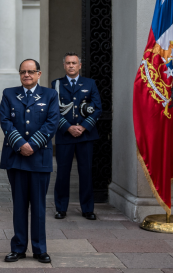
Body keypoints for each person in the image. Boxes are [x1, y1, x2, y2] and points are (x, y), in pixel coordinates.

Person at [0, 59, 59, 264]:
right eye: (23, 72)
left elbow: (52, 123)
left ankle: (40, 249)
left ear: (39, 74)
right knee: (19, 205)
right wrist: (20, 144)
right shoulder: (9, 93)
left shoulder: (50, 95)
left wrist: (32, 145)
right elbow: (5, 121)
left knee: (39, 206)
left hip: (39, 158)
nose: (26, 75)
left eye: (31, 72)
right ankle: (18, 248)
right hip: (16, 158)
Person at [52, 52, 102, 221]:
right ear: (64, 66)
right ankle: (61, 208)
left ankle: (87, 209)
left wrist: (83, 126)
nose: (71, 65)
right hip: (65, 136)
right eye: (68, 63)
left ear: (79, 65)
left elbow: (97, 108)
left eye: (74, 63)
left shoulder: (90, 83)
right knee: (62, 174)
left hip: (85, 136)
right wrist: (67, 127)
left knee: (86, 173)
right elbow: (53, 111)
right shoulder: (57, 84)